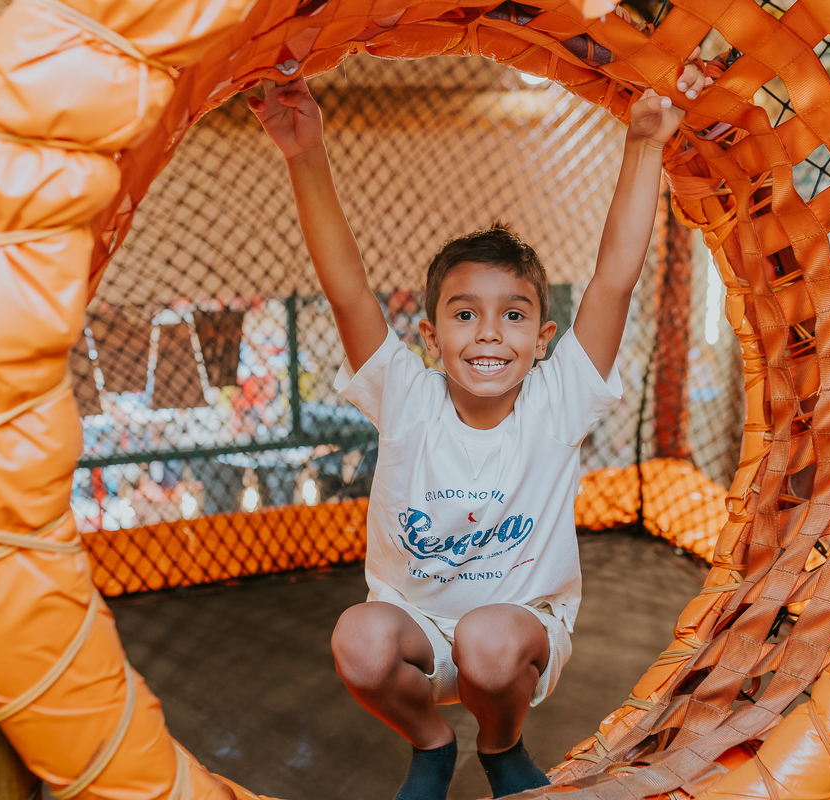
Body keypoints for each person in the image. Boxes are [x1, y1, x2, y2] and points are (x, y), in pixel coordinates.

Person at [249, 59, 708, 800]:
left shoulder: (556, 401)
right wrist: (304, 151)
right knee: (357, 641)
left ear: (542, 336)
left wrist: (644, 145)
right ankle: (431, 746)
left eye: (513, 316)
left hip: (518, 634)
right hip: (416, 631)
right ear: (431, 337)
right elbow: (346, 288)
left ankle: (500, 746)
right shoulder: (406, 396)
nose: (488, 334)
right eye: (465, 314)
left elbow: (614, 281)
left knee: (488, 640)